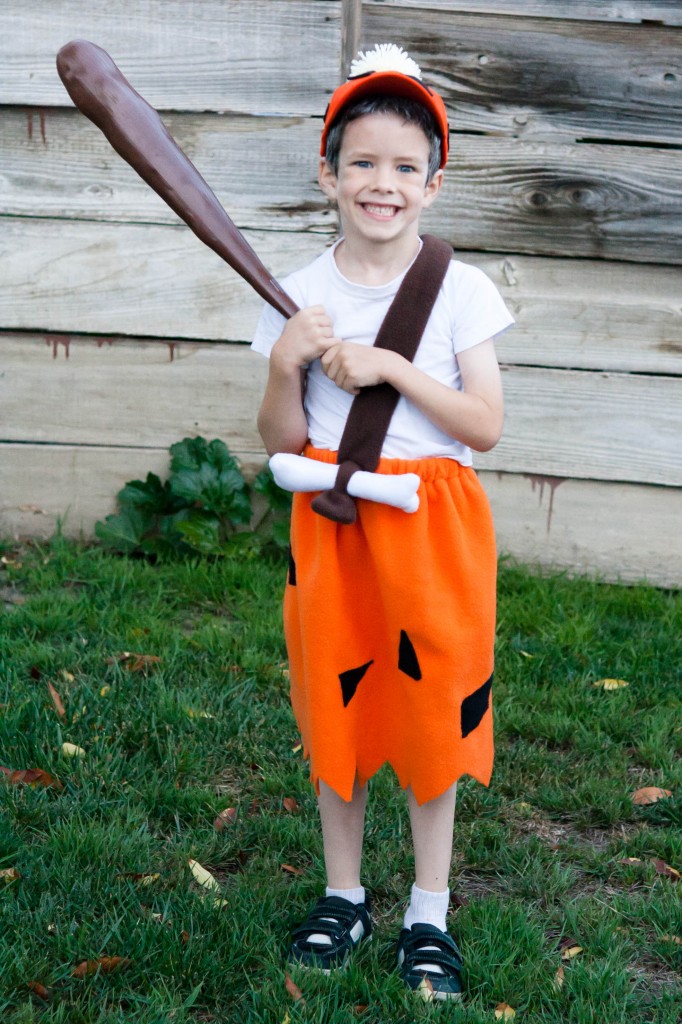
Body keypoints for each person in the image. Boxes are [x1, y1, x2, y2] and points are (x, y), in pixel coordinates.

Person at [251, 43, 513, 1001]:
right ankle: (344, 893)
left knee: (433, 707)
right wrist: (289, 363)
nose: (382, 184)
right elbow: (279, 435)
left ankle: (428, 911)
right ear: (328, 172)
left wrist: (394, 368)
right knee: (341, 700)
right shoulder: (295, 289)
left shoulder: (461, 291)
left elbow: (483, 425)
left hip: (432, 525)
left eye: (406, 167)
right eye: (362, 162)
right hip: (332, 521)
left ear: (435, 185)